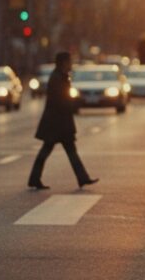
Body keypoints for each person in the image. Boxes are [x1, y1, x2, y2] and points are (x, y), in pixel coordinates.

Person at [28, 52, 99, 190]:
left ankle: (81, 177)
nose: (71, 64)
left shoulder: (60, 77)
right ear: (63, 63)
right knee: (55, 150)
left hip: (58, 122)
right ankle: (35, 178)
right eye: (69, 61)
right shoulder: (57, 78)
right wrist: (75, 103)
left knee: (60, 150)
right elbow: (60, 100)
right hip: (57, 123)